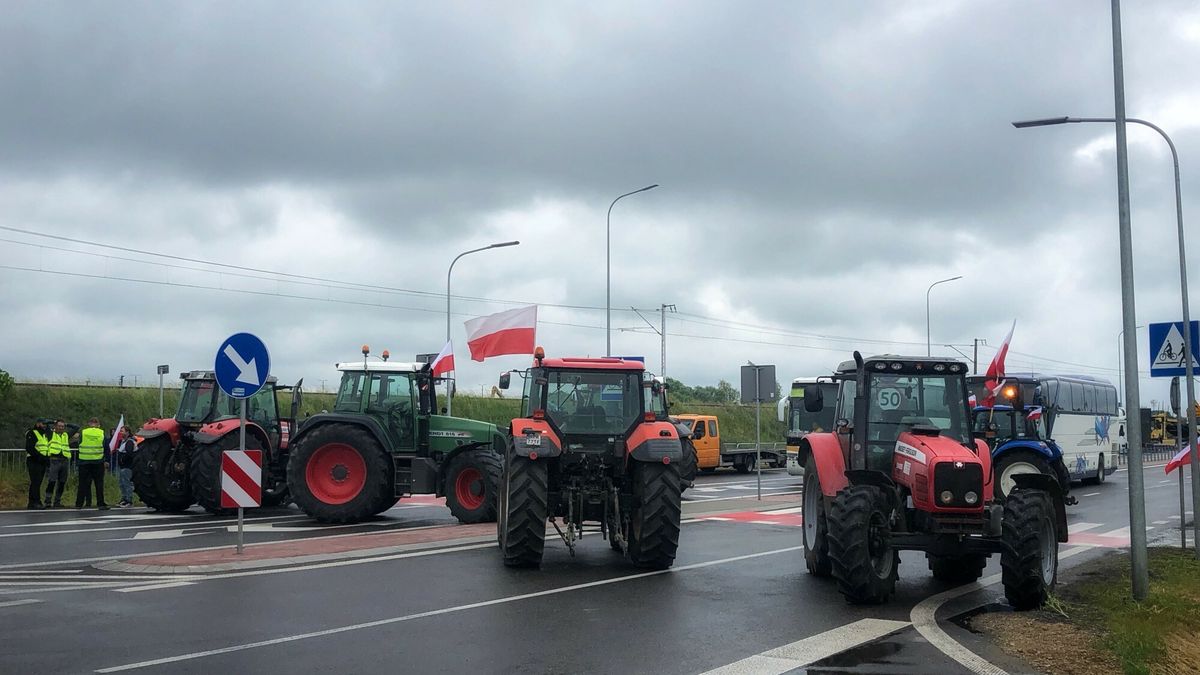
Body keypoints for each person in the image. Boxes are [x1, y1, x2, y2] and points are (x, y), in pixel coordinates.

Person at [75, 417, 109, 510]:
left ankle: (79, 504)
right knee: (99, 484)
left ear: (89, 423)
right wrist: (107, 460)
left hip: (84, 462)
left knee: (82, 483)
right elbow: (106, 447)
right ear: (98, 424)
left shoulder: (83, 432)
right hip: (98, 462)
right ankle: (101, 504)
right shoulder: (101, 433)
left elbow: (78, 444)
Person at [24, 419, 51, 509]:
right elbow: (29, 448)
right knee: (35, 482)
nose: (45, 425)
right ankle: (36, 502)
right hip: (34, 461)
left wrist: (46, 459)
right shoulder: (32, 432)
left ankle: (32, 503)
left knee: (37, 482)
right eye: (43, 424)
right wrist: (40, 457)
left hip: (42, 461)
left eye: (46, 424)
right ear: (37, 423)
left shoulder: (44, 434)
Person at [44, 419, 71, 508]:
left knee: (62, 482)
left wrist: (67, 423)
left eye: (63, 426)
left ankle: (57, 501)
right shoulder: (51, 434)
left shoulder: (66, 435)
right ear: (55, 426)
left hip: (64, 460)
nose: (61, 428)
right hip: (54, 460)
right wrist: (54, 421)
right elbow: (45, 423)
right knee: (52, 481)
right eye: (59, 426)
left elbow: (76, 427)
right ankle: (48, 501)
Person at [115, 426, 137, 507]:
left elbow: (129, 453)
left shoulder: (130, 442)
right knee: (122, 483)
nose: (121, 433)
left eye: (122, 431)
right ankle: (124, 498)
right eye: (120, 431)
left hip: (127, 466)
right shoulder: (123, 441)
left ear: (127, 432)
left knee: (126, 483)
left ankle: (128, 500)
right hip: (123, 466)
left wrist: (123, 460)